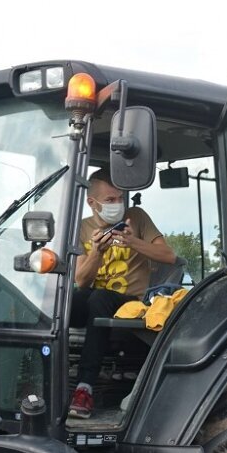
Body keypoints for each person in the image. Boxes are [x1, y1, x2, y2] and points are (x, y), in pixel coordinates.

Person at [69, 169, 176, 418]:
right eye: (110, 200)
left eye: (120, 198)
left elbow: (169, 256)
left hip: (131, 301)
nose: (117, 205)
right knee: (63, 302)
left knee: (99, 298)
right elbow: (82, 280)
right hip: (95, 299)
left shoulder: (136, 218)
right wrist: (97, 251)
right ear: (92, 203)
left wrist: (133, 243)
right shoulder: (81, 229)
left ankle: (84, 388)